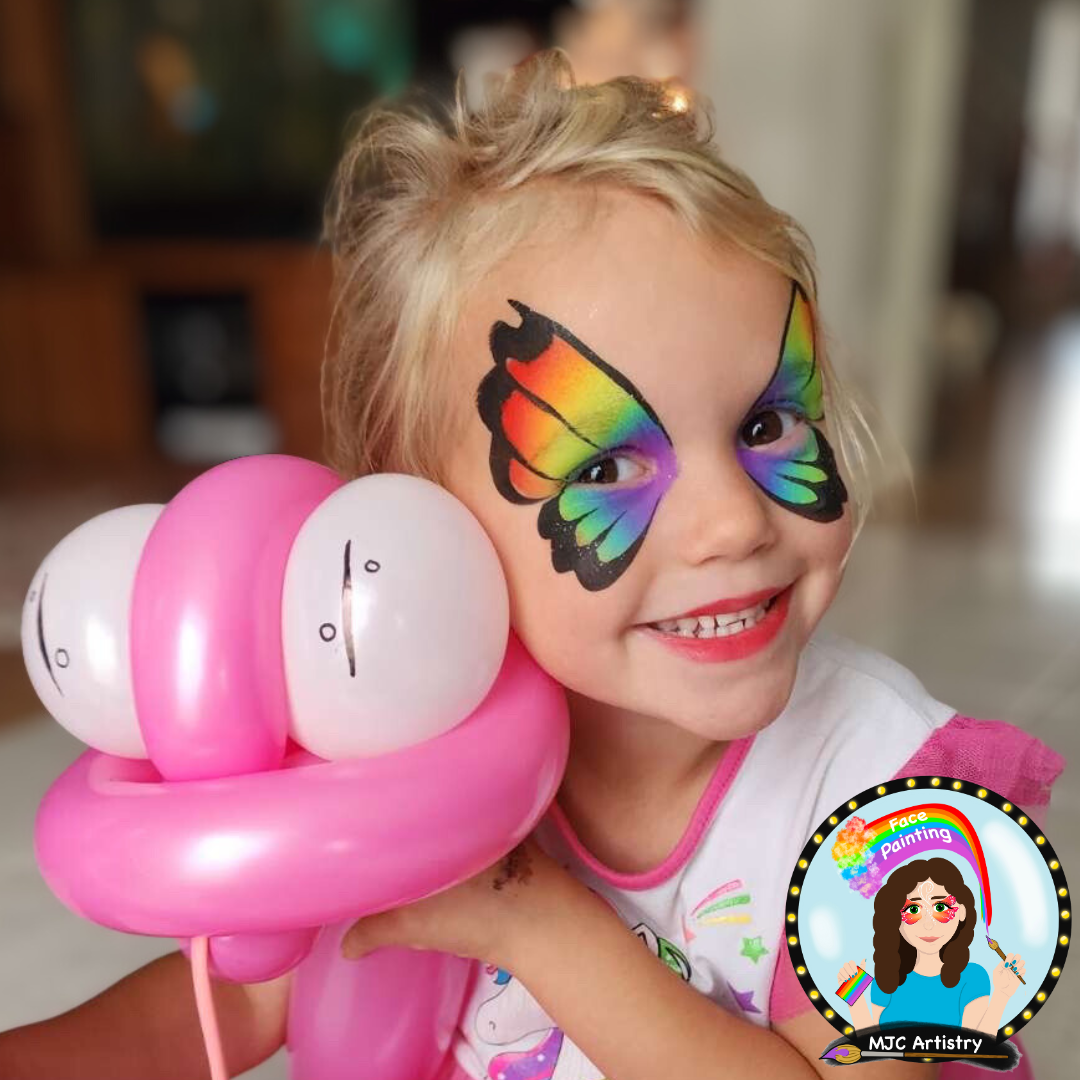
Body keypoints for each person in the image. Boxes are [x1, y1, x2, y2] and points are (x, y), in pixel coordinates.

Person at [0, 50, 1064, 1080]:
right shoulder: (401, 747)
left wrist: (529, 914)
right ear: (424, 521)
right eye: (604, 462)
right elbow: (236, 1005)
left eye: (770, 420)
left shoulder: (907, 808)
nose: (733, 523)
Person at [838, 858, 1025, 1035]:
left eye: (941, 908)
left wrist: (1002, 995)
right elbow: (873, 1048)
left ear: (961, 912)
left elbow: (975, 1047)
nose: (928, 925)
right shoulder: (886, 978)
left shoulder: (974, 978)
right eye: (913, 910)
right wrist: (854, 995)